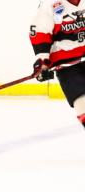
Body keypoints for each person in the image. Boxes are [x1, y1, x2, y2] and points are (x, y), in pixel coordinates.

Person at [30, 0, 85, 129]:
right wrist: (42, 62)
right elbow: (40, 33)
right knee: (83, 108)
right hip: (68, 67)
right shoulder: (50, 4)